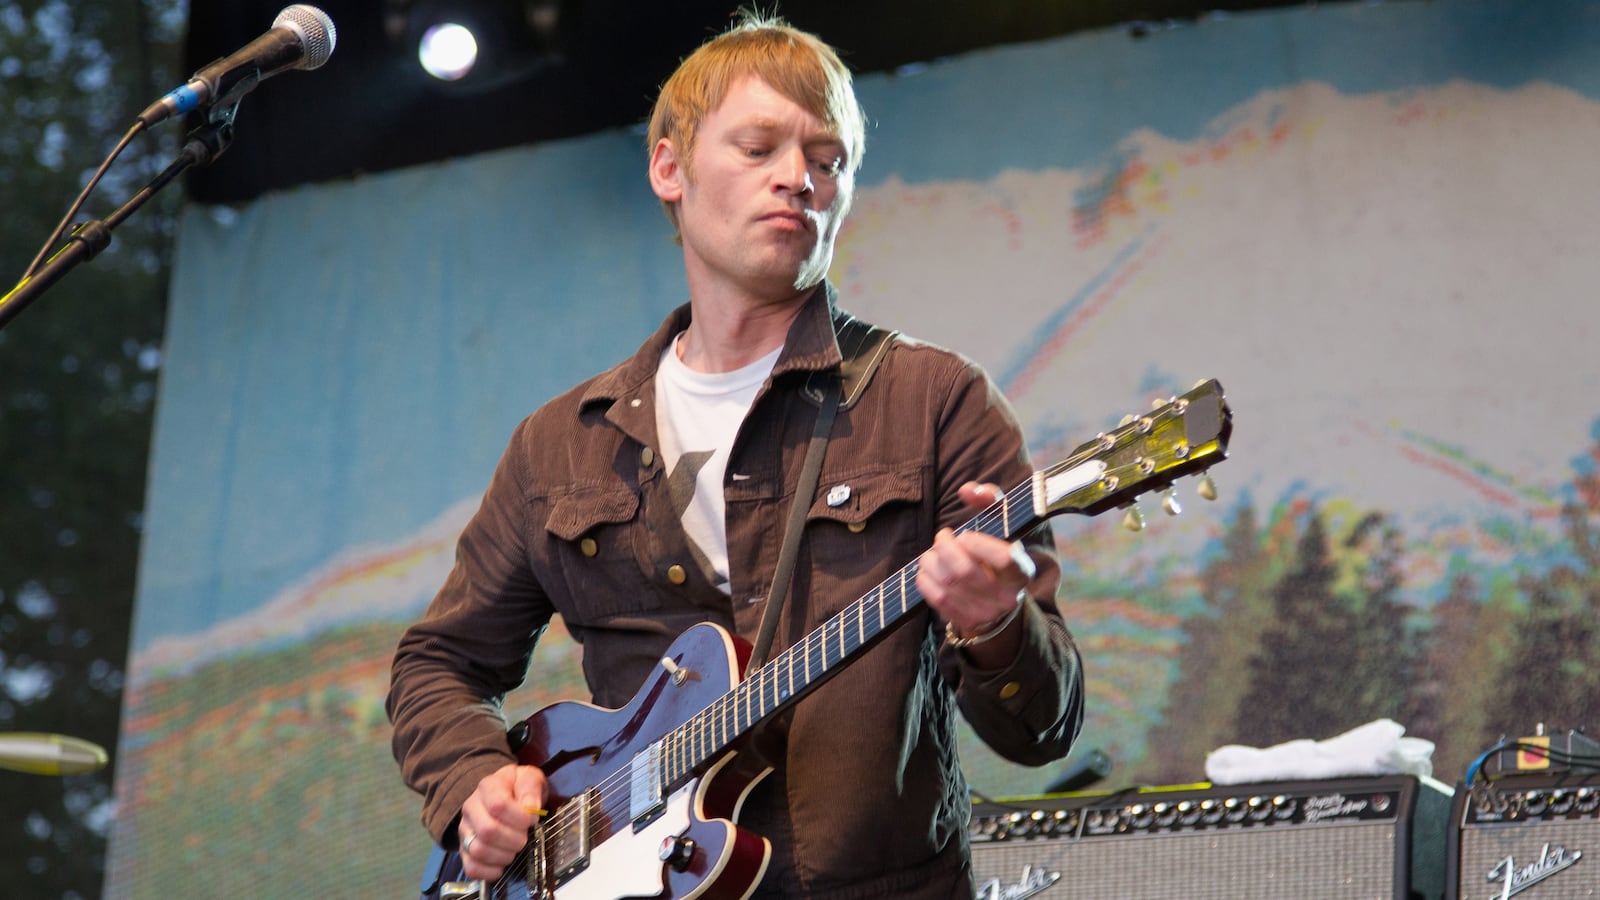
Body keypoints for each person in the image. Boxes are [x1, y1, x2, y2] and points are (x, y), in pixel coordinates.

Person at [387, 11, 1084, 899]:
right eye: (759, 148)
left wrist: (994, 625)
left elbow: (1046, 727)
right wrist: (473, 786)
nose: (799, 179)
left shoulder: (935, 401)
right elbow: (436, 664)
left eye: (828, 160)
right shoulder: (560, 444)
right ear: (668, 169)